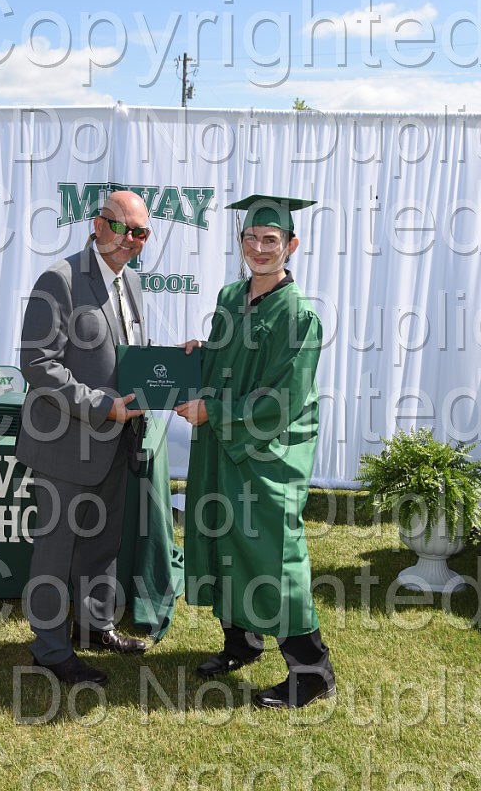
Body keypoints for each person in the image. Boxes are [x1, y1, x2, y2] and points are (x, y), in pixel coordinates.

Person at [174, 194, 336, 709]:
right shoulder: (228, 298)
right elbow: (226, 367)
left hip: (269, 450)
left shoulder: (299, 315)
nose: (260, 248)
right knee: (223, 537)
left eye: (271, 240)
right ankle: (241, 643)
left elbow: (281, 398)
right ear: (240, 242)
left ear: (291, 245)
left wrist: (214, 412)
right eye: (251, 238)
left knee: (270, 551)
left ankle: (312, 671)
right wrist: (195, 359)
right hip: (223, 445)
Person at [16, 190, 151, 687]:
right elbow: (38, 365)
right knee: (56, 551)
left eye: (141, 233)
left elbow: (130, 354)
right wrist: (101, 406)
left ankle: (96, 627)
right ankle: (50, 649)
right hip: (65, 446)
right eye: (121, 228)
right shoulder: (61, 279)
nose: (130, 240)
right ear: (97, 224)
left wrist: (173, 363)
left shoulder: (132, 281)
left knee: (101, 544)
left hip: (116, 442)